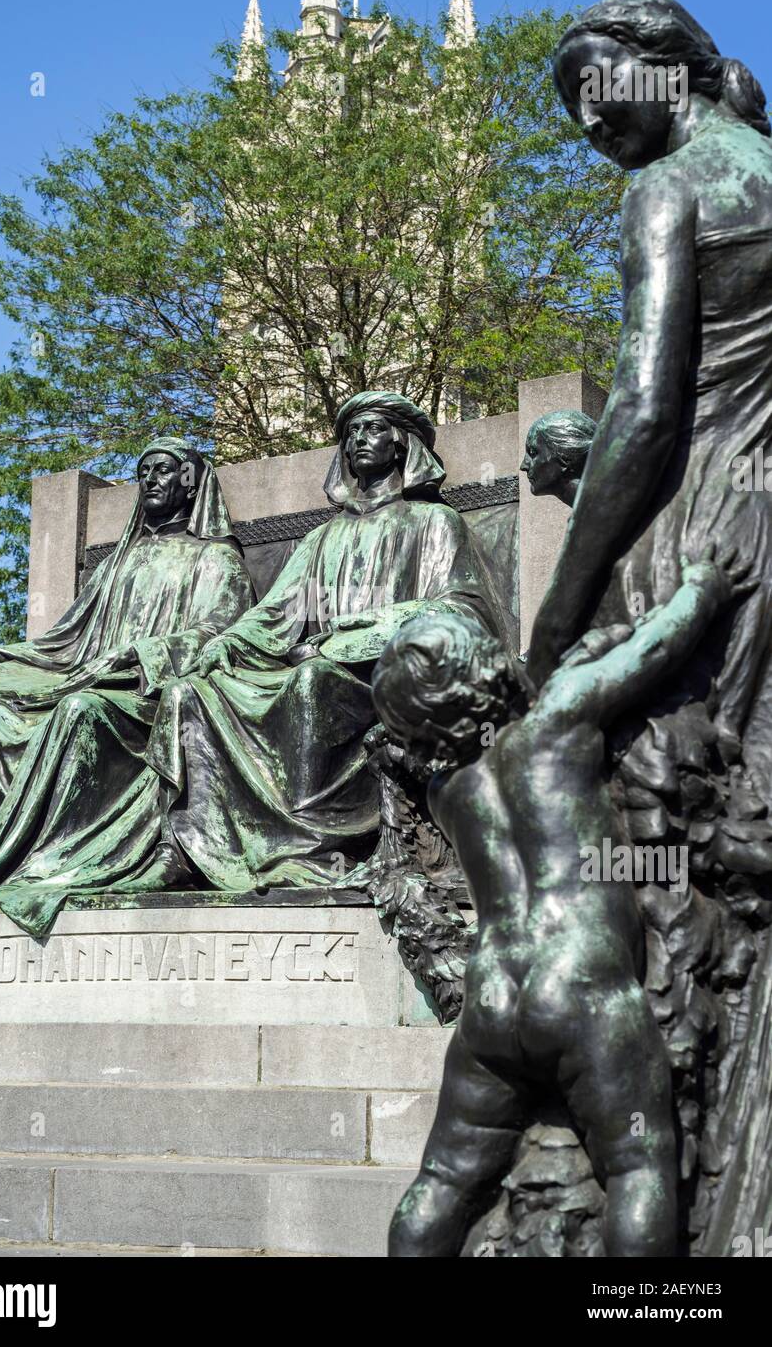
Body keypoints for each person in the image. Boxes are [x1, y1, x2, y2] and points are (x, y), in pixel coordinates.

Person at [372, 544, 755, 1258]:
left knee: (443, 1179)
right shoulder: (554, 723)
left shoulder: (446, 793)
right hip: (579, 986)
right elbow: (654, 651)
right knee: (637, 1164)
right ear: (479, 664)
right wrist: (701, 588)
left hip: (491, 999)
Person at [527, 0, 772, 792]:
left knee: (674, 803)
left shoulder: (668, 189)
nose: (588, 123)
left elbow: (643, 410)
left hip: (707, 528)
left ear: (666, 69)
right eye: (572, 112)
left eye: (593, 92)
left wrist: (557, 615)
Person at [145, 391, 509, 893]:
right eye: (351, 433)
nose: (359, 439)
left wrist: (356, 633)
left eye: (372, 429)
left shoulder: (433, 523)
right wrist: (224, 646)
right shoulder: (321, 538)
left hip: (383, 679)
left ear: (401, 445)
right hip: (311, 671)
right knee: (190, 692)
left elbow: (464, 609)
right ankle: (189, 847)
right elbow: (273, 615)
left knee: (312, 679)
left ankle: (310, 844)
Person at [0, 440, 253, 936]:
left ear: (190, 481)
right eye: (144, 471)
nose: (150, 479)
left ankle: (58, 860)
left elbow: (222, 630)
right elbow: (62, 642)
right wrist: (1, 657)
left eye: (163, 470)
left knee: (79, 709)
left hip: (148, 699)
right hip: (84, 682)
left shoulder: (215, 559)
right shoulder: (116, 565)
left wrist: (140, 654)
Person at [520, 409, 597, 508]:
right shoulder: (591, 514)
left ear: (566, 455)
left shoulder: (607, 515)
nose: (523, 466)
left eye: (533, 453)